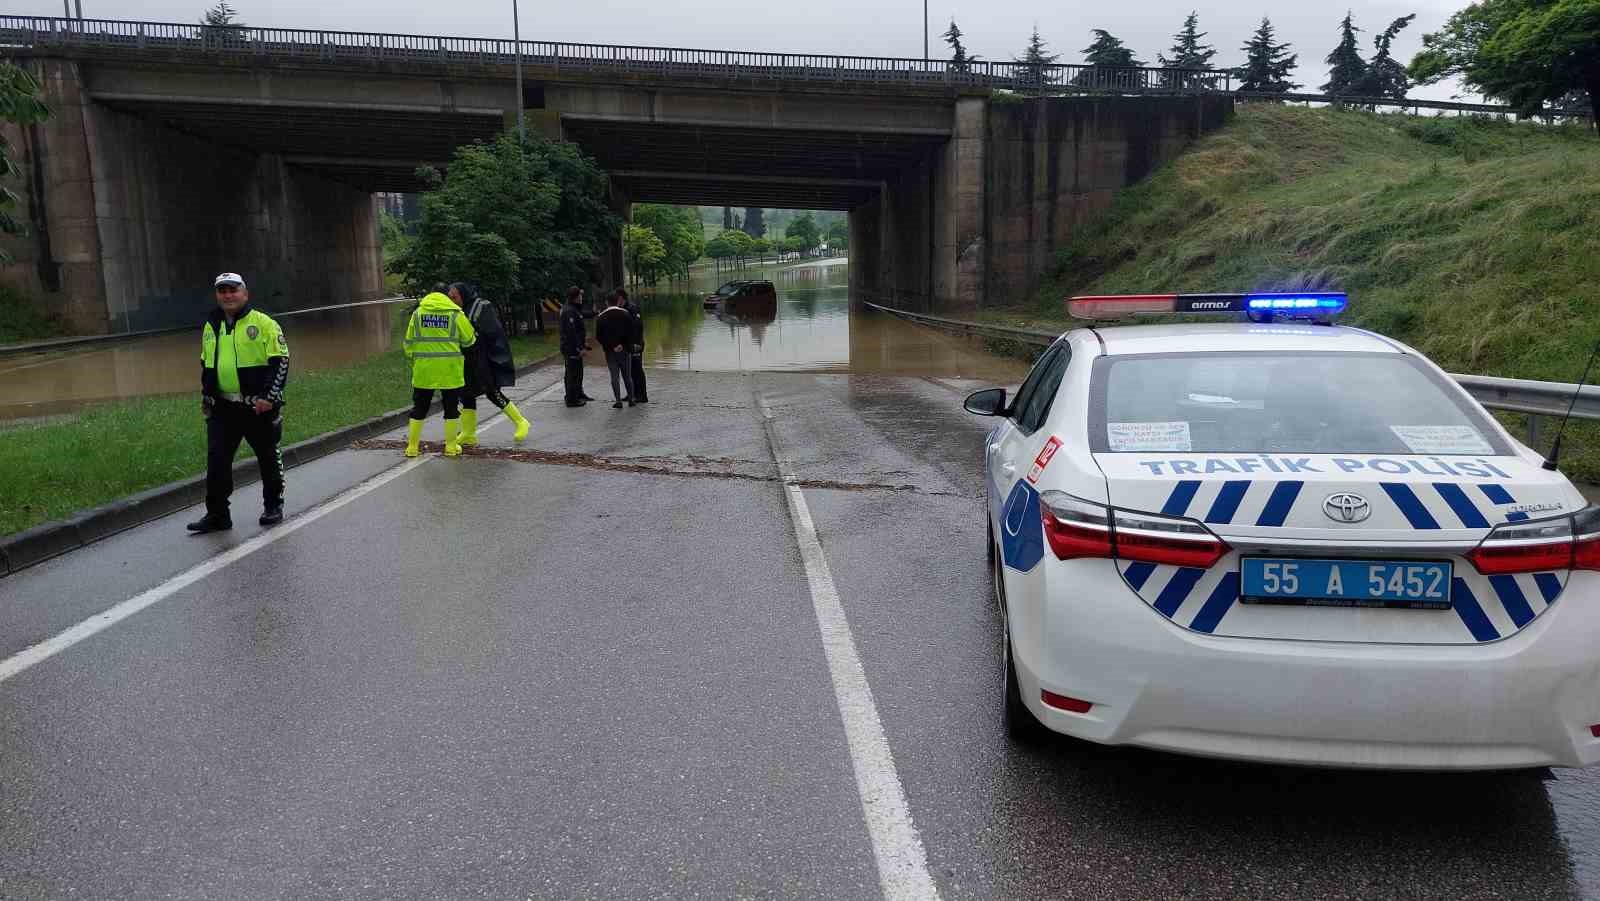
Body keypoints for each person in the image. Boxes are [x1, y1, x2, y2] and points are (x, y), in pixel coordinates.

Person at [188, 272, 289, 533]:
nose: (228, 295)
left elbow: (281, 361)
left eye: (233, 290)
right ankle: (218, 515)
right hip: (223, 408)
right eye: (223, 291)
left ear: (245, 293)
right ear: (217, 295)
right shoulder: (212, 325)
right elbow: (206, 363)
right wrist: (207, 395)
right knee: (217, 462)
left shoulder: (264, 323)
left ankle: (273, 506)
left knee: (268, 457)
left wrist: (269, 397)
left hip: (258, 407)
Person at [450, 282, 531, 444]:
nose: (452, 299)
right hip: (465, 358)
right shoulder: (456, 309)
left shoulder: (481, 306)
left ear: (463, 294)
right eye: (450, 296)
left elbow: (493, 332)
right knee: (466, 394)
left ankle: (521, 421)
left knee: (491, 391)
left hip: (483, 357)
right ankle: (468, 433)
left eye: (454, 296)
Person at [404, 289, 477, 458]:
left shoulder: (418, 313)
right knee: (451, 408)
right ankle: (451, 447)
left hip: (424, 370)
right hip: (450, 371)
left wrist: (415, 359)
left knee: (419, 408)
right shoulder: (455, 314)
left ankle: (412, 447)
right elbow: (469, 340)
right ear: (446, 298)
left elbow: (408, 342)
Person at [594, 292, 635, 408]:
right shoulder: (626, 314)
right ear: (618, 301)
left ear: (607, 302)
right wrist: (623, 345)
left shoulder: (601, 317)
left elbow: (599, 336)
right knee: (628, 376)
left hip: (610, 352)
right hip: (625, 351)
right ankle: (631, 399)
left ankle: (618, 401)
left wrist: (612, 346)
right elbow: (631, 332)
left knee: (614, 377)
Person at [559, 286, 589, 408]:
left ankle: (578, 394)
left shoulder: (573, 309)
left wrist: (583, 344)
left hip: (574, 347)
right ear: (576, 297)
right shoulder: (569, 311)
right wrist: (579, 348)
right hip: (571, 348)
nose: (581, 297)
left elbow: (578, 331)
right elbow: (571, 333)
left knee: (578, 372)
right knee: (573, 374)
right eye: (580, 296)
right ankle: (572, 399)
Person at [620, 288, 648, 404]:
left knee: (637, 370)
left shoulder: (632, 308)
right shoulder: (624, 309)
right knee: (630, 370)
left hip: (635, 345)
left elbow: (637, 326)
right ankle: (632, 393)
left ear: (621, 298)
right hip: (629, 345)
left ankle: (642, 395)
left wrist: (635, 344)